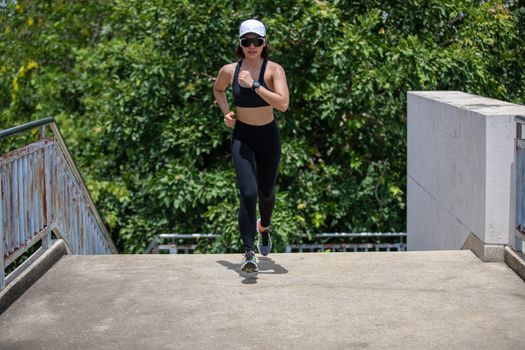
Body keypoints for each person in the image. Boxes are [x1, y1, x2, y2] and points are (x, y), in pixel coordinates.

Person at [213, 19, 289, 272]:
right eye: (247, 41)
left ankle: (263, 228)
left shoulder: (273, 70)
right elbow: (218, 90)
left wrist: (255, 85)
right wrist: (226, 113)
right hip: (243, 137)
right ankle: (248, 252)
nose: (252, 46)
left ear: (265, 43)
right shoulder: (229, 70)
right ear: (240, 44)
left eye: (257, 41)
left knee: (266, 194)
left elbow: (282, 104)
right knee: (248, 193)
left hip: (268, 137)